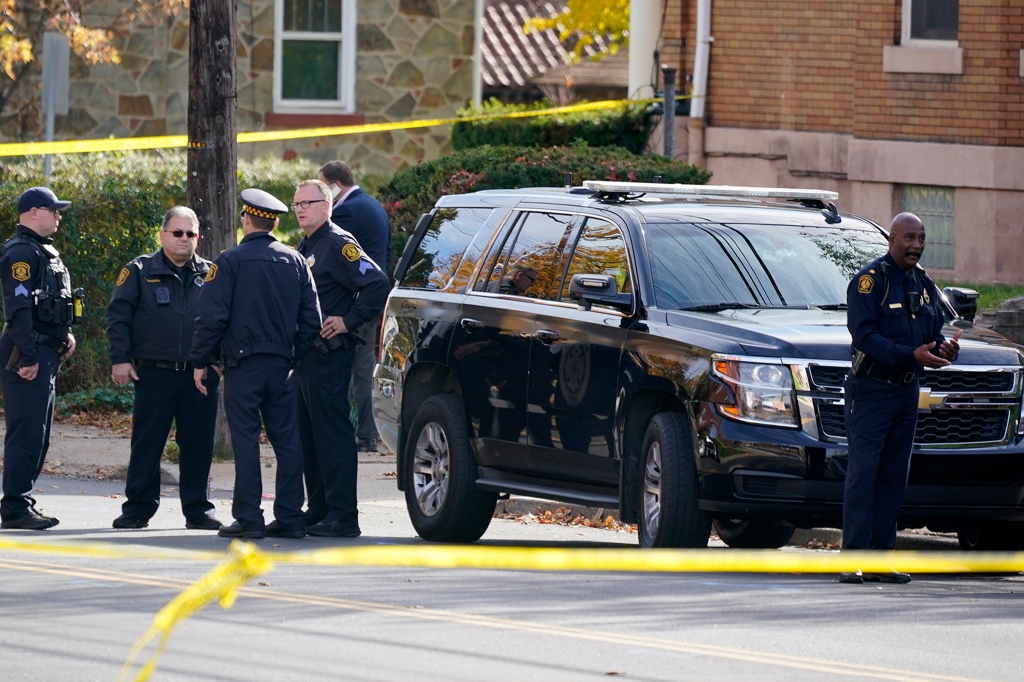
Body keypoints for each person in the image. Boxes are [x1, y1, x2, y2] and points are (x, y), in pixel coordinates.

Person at [191, 189, 322, 540]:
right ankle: (291, 517)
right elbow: (313, 318)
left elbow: (211, 317)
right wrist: (294, 356)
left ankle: (249, 518)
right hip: (282, 366)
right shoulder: (295, 261)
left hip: (243, 367)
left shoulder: (229, 261)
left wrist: (201, 361)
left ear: (246, 220)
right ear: (275, 222)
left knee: (246, 441)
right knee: (288, 442)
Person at [840, 212, 960, 584]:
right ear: (892, 239)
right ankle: (851, 560)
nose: (916, 246)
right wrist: (911, 356)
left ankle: (880, 557)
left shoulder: (924, 285)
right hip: (872, 391)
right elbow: (865, 337)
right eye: (909, 238)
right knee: (864, 474)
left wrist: (945, 349)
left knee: (894, 475)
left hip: (907, 392)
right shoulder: (869, 282)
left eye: (921, 239)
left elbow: (930, 333)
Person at [106, 206, 222, 531]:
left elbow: (225, 320)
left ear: (198, 237)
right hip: (153, 373)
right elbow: (118, 316)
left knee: (198, 445)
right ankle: (137, 509)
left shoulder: (212, 273)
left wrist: (219, 363)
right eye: (178, 233)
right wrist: (120, 358)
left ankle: (198, 509)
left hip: (199, 375)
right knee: (148, 443)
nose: (184, 239)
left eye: (191, 234)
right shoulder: (139, 270)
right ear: (163, 235)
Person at [293, 180, 389, 537]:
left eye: (308, 202)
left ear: (327, 205)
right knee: (310, 436)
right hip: (306, 358)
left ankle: (343, 515)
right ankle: (319, 508)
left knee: (332, 435)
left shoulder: (338, 243)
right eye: (297, 204)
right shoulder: (309, 244)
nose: (301, 209)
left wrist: (348, 320)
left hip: (329, 357)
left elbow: (377, 284)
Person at [0, 187, 78, 530]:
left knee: (39, 432)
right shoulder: (20, 253)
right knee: (27, 431)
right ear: (33, 213)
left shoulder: (42, 251)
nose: (58, 216)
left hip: (44, 350)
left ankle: (21, 501)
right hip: (27, 353)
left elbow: (45, 302)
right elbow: (17, 310)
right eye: (53, 211)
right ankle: (15, 506)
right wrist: (29, 357)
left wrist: (63, 334)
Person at [318, 161, 392, 453]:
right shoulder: (374, 205)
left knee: (356, 371)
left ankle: (364, 434)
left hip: (355, 306)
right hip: (373, 300)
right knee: (364, 369)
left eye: (324, 185)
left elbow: (334, 254)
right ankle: (367, 433)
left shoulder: (347, 211)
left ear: (335, 184)